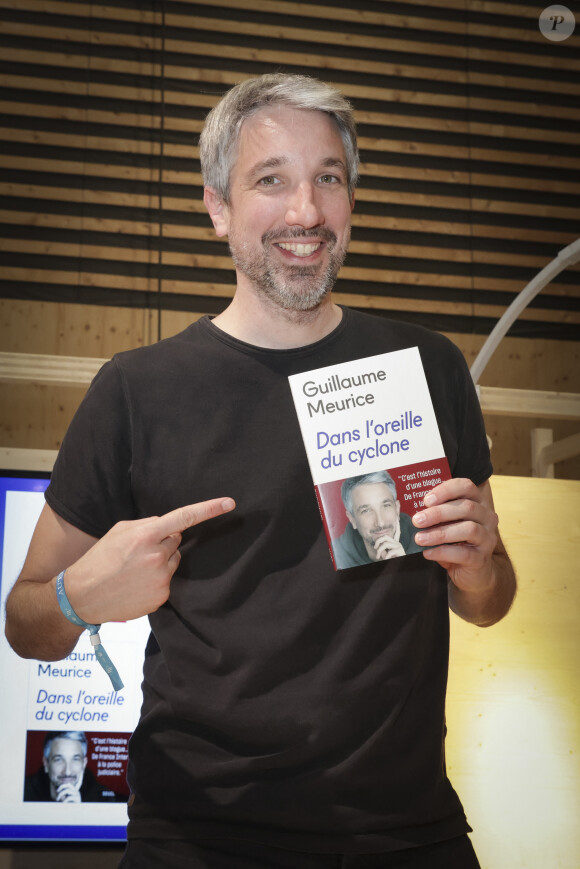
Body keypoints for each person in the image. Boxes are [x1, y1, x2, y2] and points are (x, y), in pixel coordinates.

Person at [5, 73, 516, 868]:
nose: (305, 211)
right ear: (218, 207)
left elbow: (487, 602)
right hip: (196, 838)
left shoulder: (429, 367)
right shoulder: (136, 390)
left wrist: (482, 565)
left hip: (406, 833)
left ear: (350, 202)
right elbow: (25, 621)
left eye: (329, 179)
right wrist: (82, 597)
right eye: (270, 180)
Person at [333, 471, 422, 568]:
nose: (380, 523)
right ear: (352, 519)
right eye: (366, 511)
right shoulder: (337, 557)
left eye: (386, 505)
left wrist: (404, 564)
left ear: (397, 509)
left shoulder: (427, 540)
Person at [24, 731, 116, 803]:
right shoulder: (24, 792)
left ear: (84, 764)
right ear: (46, 763)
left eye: (75, 759)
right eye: (58, 759)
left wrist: (79, 811)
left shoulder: (104, 798)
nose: (67, 772)